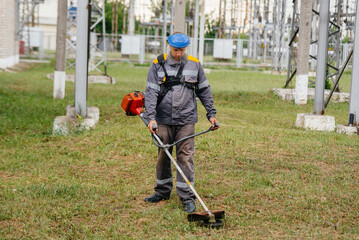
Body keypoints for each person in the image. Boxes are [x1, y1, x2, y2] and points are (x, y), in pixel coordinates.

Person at [143, 33, 219, 213]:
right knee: (164, 154)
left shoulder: (194, 64)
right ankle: (162, 191)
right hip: (163, 119)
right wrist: (151, 118)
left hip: (186, 119)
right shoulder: (157, 64)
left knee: (185, 157)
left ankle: (187, 197)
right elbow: (151, 93)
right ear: (168, 45)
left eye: (182, 50)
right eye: (175, 49)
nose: (178, 53)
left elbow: (204, 90)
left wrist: (212, 114)